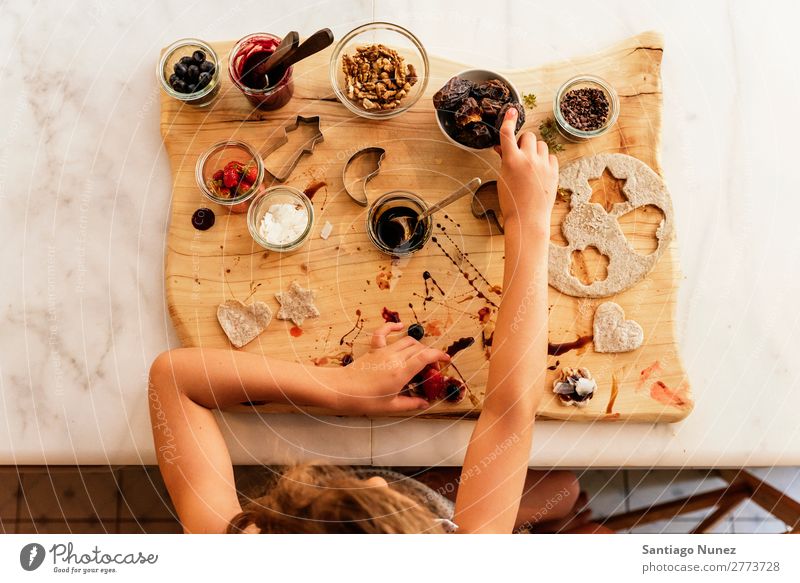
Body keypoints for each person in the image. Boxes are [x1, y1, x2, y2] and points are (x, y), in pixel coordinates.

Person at [148, 107, 610, 534]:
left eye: (356, 488)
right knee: (564, 490)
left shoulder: (237, 550)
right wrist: (529, 219)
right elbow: (510, 411)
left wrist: (346, 388)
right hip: (444, 508)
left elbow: (173, 379)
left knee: (562, 492)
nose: (375, 478)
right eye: (385, 497)